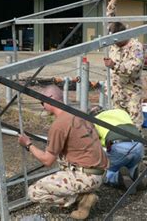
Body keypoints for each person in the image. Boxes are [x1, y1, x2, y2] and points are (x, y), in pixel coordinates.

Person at [18, 85, 109, 220]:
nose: (42, 106)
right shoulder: (78, 113)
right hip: (101, 172)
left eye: (42, 102)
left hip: (87, 176)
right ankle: (82, 192)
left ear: (50, 99)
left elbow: (47, 161)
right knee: (62, 155)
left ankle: (82, 198)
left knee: (34, 192)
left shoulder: (59, 124)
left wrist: (28, 144)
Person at [103, 0, 145, 130]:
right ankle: (119, 148)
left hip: (131, 90)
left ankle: (136, 148)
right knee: (116, 122)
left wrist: (114, 65)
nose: (115, 44)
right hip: (116, 91)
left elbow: (135, 66)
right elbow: (109, 15)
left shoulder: (136, 46)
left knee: (134, 123)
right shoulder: (114, 39)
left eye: (117, 41)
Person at [89, 106, 147, 191]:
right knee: (131, 163)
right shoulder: (120, 112)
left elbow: (94, 143)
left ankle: (116, 178)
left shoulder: (95, 121)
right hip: (138, 144)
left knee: (109, 170)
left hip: (119, 147)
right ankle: (135, 173)